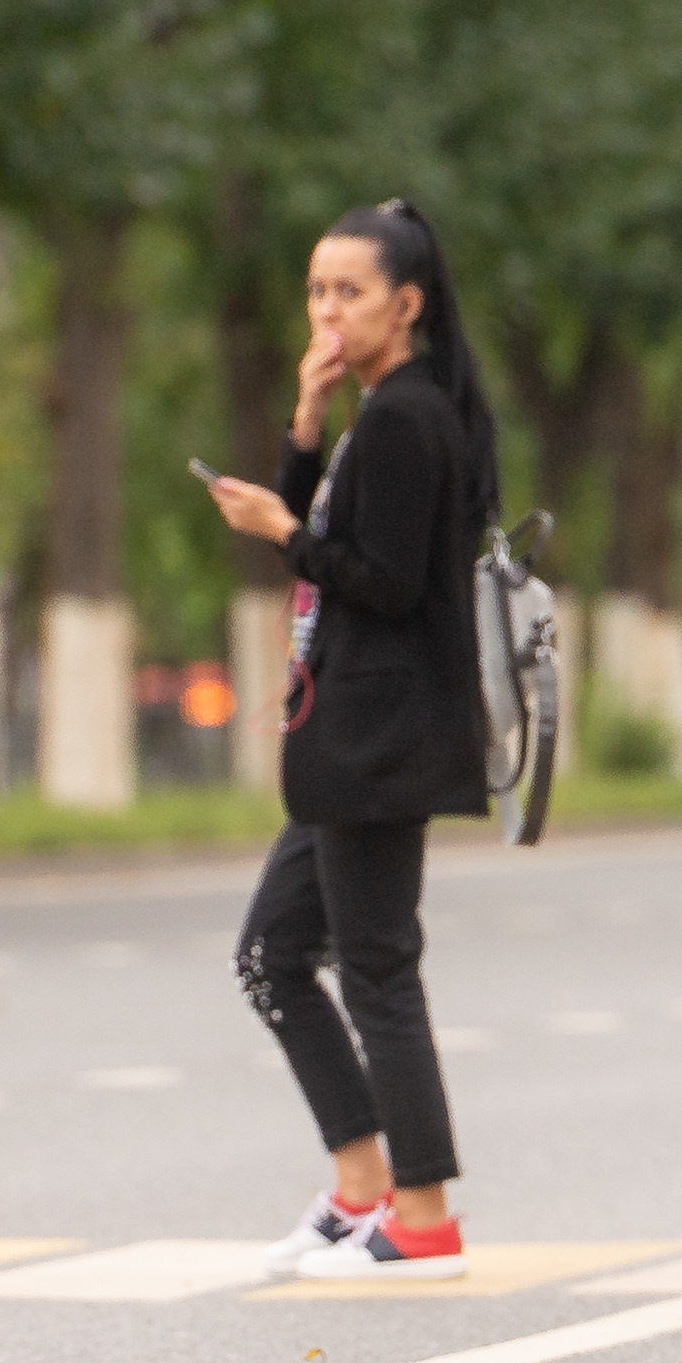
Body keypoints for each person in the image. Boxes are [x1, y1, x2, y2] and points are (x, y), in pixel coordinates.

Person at [205, 199, 498, 1281]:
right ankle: (363, 1190)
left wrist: (283, 529)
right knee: (272, 957)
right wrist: (303, 423)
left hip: (382, 740)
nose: (326, 310)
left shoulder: (410, 419)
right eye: (316, 291)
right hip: (347, 743)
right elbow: (325, 546)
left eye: (350, 291)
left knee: (376, 972)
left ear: (405, 304)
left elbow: (386, 583)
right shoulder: (375, 413)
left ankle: (423, 1221)